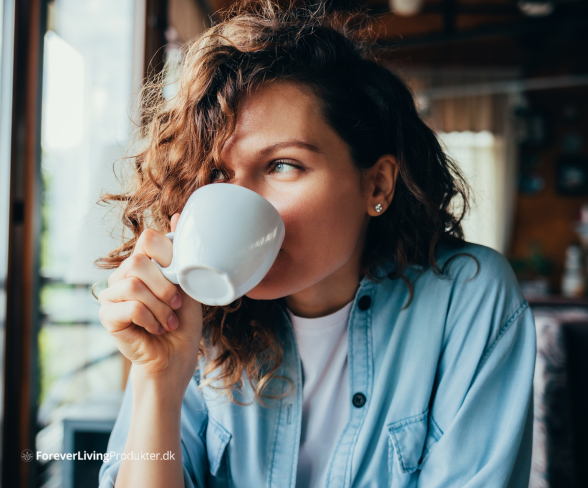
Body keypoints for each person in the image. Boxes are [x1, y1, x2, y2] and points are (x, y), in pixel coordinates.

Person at [97, 1, 537, 487]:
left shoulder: (466, 298)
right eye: (218, 174)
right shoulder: (195, 320)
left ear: (377, 186)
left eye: (283, 165)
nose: (237, 201)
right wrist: (159, 379)